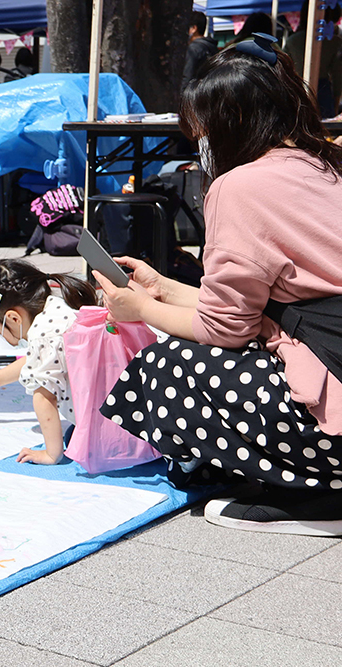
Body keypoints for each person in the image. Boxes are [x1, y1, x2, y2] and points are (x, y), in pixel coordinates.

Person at [96, 37, 342, 535]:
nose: (199, 143)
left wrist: (138, 309)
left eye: (201, 130)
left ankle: (311, 495)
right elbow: (273, 302)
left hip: (335, 422)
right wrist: (161, 288)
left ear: (230, 124)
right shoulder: (326, 164)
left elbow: (225, 327)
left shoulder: (241, 186)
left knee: (164, 368)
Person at [0, 259, 97, 465]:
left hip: (102, 426)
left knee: (71, 435)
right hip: (119, 408)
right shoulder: (57, 309)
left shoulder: (43, 337)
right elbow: (35, 361)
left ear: (13, 319)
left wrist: (52, 453)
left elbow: (44, 399)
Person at [285, 2, 342, 118]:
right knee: (325, 132)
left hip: (296, 90)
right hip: (322, 93)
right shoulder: (334, 42)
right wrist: (336, 104)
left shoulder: (292, 40)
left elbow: (284, 70)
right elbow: (338, 76)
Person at [182, 12, 218, 92]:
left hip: (194, 95)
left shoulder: (193, 49)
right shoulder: (212, 47)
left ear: (194, 28)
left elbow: (187, 77)